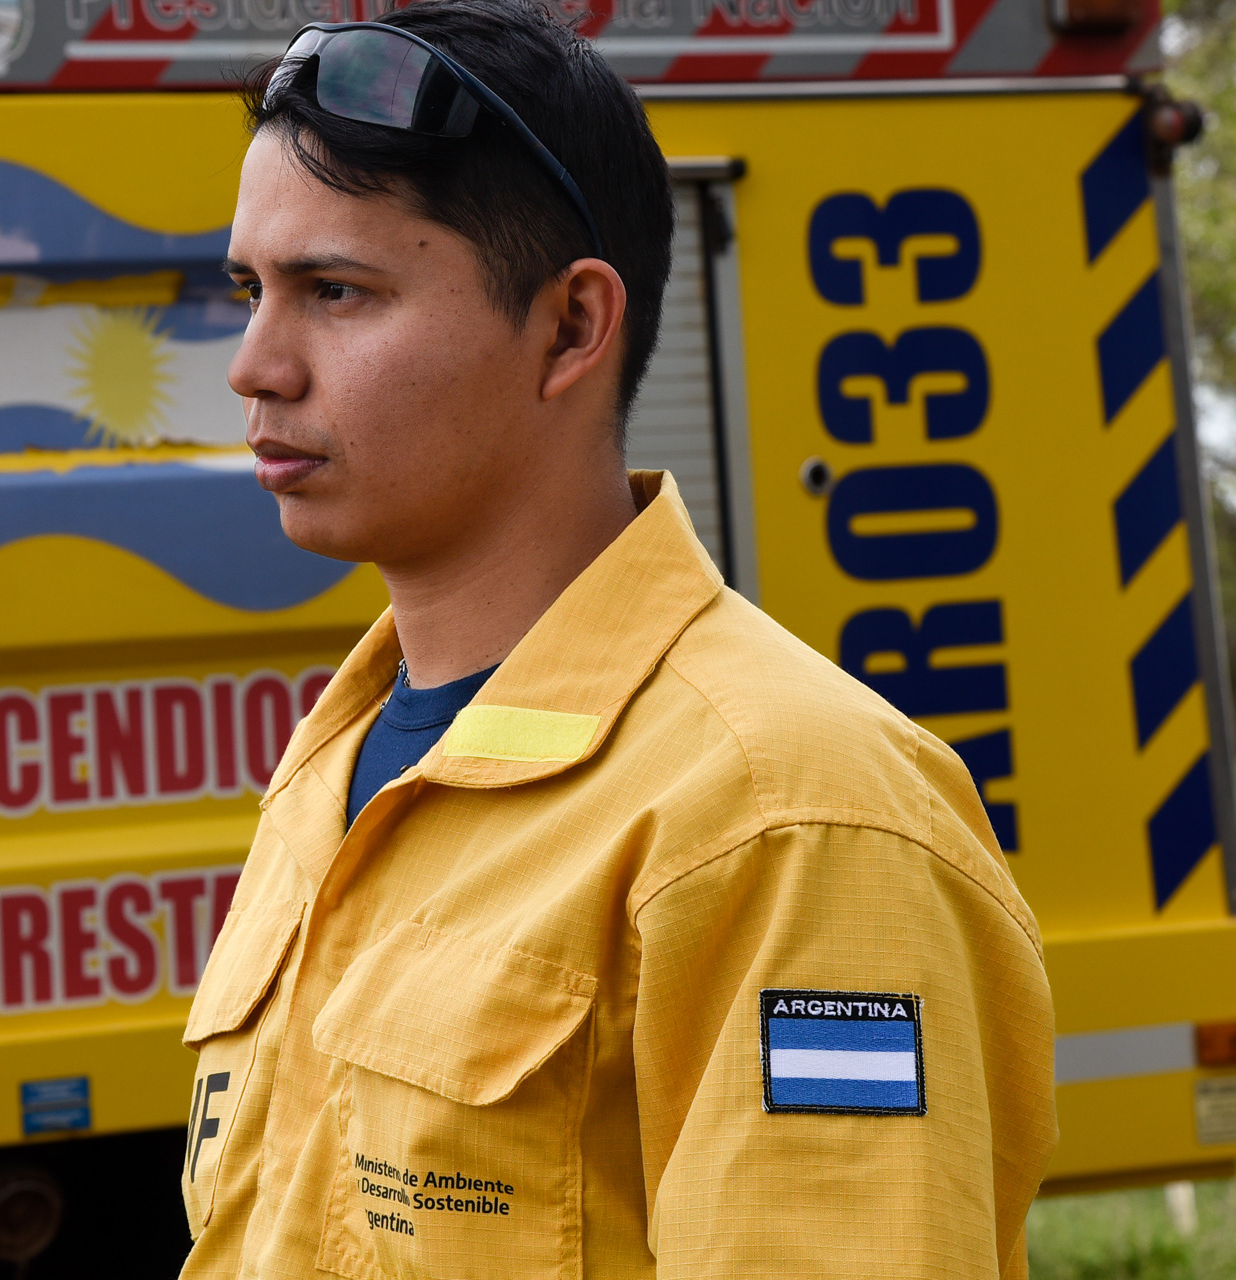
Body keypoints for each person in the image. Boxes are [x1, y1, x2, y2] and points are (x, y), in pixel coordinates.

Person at [180, 2, 1056, 1276]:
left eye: (336, 292)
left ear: (572, 328)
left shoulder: (790, 816)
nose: (256, 364)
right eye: (250, 291)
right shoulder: (336, 772)